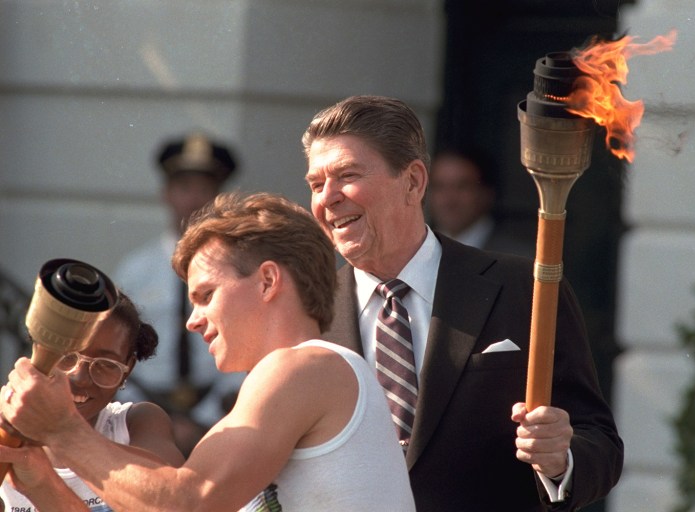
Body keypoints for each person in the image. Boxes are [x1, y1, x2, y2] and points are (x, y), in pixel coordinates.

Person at [302, 95, 623, 511]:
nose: (328, 198)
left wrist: (562, 458)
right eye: (315, 184)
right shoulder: (306, 313)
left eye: (346, 175)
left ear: (414, 182)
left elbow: (599, 441)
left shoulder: (523, 288)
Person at [1, 192, 416, 511]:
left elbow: (188, 503)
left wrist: (60, 429)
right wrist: (42, 482)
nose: (192, 320)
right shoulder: (274, 393)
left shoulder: (307, 366)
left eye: (206, 295)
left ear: (268, 281)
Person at [114, 131, 245, 455]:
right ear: (167, 194)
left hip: (222, 418)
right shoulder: (135, 271)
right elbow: (117, 351)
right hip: (144, 420)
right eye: (185, 188)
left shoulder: (240, 268)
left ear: (219, 197)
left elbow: (245, 342)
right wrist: (151, 421)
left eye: (205, 189)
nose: (194, 200)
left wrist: (204, 419)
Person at [0, 291, 185, 511]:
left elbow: (174, 500)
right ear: (37, 350)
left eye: (106, 364)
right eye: (66, 356)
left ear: (126, 371)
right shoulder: (6, 433)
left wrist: (60, 429)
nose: (80, 377)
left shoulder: (135, 423)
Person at [428, 146, 534, 257]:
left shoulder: (518, 257)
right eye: (439, 187)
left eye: (462, 186)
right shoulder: (416, 252)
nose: (449, 199)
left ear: (487, 193)